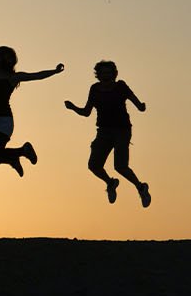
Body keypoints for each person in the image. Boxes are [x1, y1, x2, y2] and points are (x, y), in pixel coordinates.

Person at [0, 46, 63, 177]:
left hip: (4, 121)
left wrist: (54, 71)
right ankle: (17, 154)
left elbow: (36, 76)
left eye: (1, 56)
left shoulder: (13, 77)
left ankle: (18, 154)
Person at [64, 61, 151, 207]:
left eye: (109, 73)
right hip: (103, 132)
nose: (106, 76)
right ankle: (110, 183)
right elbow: (86, 112)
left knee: (120, 166)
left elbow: (136, 102)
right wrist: (73, 107)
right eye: (103, 73)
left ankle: (141, 187)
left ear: (114, 74)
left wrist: (141, 106)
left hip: (122, 131)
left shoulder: (121, 87)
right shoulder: (95, 89)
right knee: (93, 166)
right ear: (98, 75)